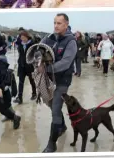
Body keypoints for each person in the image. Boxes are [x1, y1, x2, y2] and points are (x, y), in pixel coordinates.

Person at [39, 13, 77, 152]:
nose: (56, 25)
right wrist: (37, 62)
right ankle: (62, 126)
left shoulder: (71, 41)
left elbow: (66, 63)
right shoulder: (48, 38)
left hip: (62, 80)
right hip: (48, 80)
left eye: (59, 23)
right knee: (50, 104)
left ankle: (51, 144)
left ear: (66, 24)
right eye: (54, 22)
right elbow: (38, 51)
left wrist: (48, 68)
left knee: (55, 108)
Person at [13, 30, 37, 104]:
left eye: (24, 37)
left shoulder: (32, 44)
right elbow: (16, 45)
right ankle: (19, 97)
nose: (23, 39)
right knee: (20, 82)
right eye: (21, 37)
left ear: (27, 37)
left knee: (31, 80)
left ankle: (34, 93)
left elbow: (35, 54)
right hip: (21, 65)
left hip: (29, 66)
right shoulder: (20, 44)